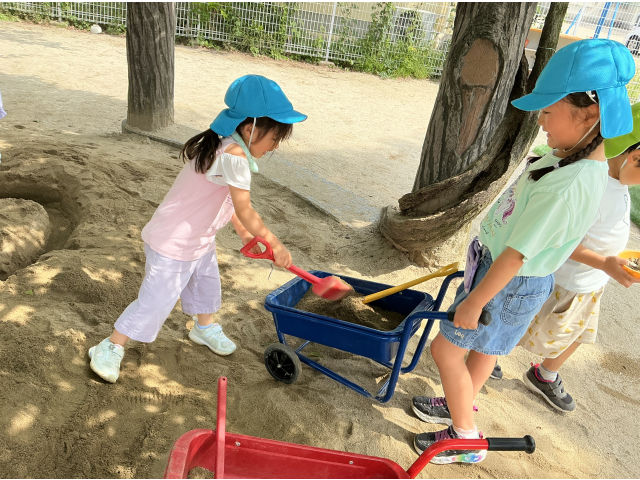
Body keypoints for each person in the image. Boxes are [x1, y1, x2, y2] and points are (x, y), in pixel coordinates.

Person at [409, 39, 635, 464]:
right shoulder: (573, 160)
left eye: (548, 111)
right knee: (484, 350)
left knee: (444, 350)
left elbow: (517, 255)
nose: (541, 119)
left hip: (505, 281)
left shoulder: (568, 184)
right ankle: (460, 404)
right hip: (513, 279)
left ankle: (464, 438)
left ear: (591, 113)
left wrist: (475, 300)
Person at [88, 75, 306, 383]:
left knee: (206, 284)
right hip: (173, 241)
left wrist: (245, 234)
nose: (275, 146)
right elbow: (245, 208)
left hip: (198, 239)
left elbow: (226, 200)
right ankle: (110, 345)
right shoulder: (233, 155)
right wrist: (276, 244)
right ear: (250, 128)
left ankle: (204, 328)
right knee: (155, 301)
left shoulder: (223, 143)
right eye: (274, 138)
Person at [512, 102, 640, 412]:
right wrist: (604, 263)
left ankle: (545, 374)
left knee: (579, 334)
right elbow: (561, 241)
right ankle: (486, 355)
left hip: (591, 282)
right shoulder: (595, 186)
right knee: (520, 324)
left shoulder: (618, 181)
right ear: (632, 155)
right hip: (564, 281)